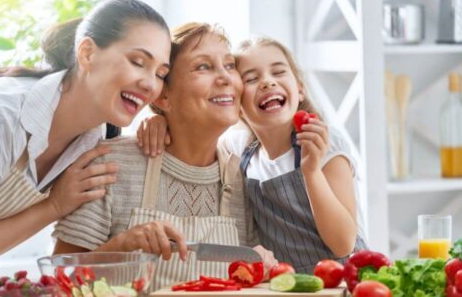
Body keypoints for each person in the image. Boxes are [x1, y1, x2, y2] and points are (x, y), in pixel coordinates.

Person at [0, 0, 171, 294]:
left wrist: (164, 121)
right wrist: (54, 206)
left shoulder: (94, 140)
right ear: (87, 53)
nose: (151, 84)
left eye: (161, 74)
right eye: (138, 62)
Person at [53, 23, 277, 292]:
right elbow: (59, 280)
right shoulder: (110, 164)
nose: (226, 78)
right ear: (163, 96)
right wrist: (123, 246)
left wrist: (263, 265)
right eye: (203, 67)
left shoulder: (241, 176)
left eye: (229, 65)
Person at [138, 37, 368, 274]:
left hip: (345, 280)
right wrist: (160, 120)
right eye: (251, 79)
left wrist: (310, 171)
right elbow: (193, 133)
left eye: (278, 72)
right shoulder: (238, 149)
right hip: (290, 285)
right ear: (238, 103)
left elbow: (343, 244)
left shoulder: (325, 143)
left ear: (299, 90)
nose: (268, 82)